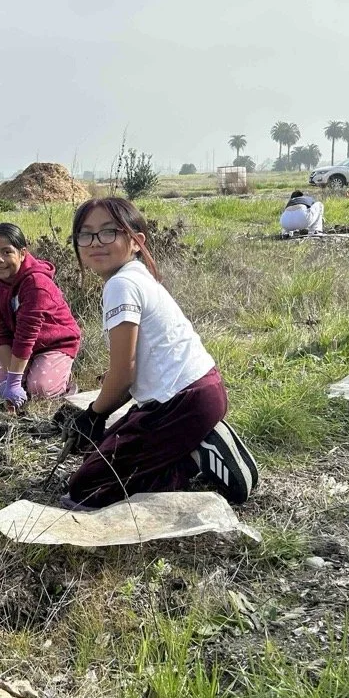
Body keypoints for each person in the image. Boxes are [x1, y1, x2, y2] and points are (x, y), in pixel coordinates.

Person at [61, 197, 257, 510]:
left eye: (109, 231)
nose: (96, 242)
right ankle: (192, 441)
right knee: (102, 454)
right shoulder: (136, 275)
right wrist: (100, 412)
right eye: (86, 234)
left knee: (86, 489)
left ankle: (195, 458)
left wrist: (93, 414)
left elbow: (124, 375)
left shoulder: (121, 285)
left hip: (182, 403)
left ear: (136, 241)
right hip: (200, 392)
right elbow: (132, 368)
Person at [0, 223, 81, 407]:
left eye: (7, 252)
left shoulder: (36, 283)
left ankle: (65, 378)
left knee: (40, 389)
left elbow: (26, 334)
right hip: (18, 345)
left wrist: (14, 381)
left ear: (22, 253)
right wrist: (11, 379)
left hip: (54, 343)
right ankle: (27, 370)